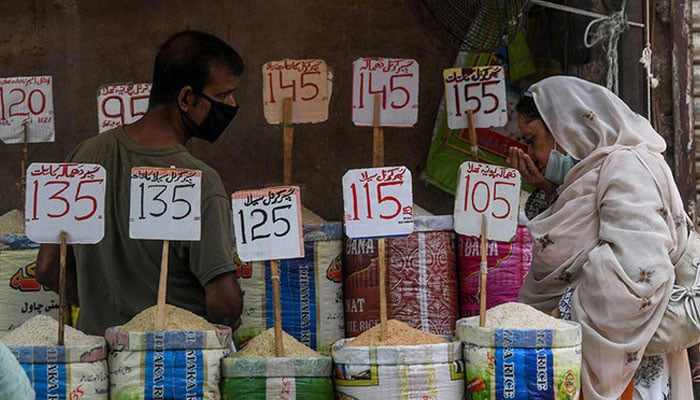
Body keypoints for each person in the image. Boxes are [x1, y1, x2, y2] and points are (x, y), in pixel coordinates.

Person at [35, 30, 244, 336]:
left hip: (98, 364)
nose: (232, 103)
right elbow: (224, 305)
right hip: (173, 366)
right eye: (224, 95)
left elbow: (46, 269)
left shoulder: (83, 156)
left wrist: (105, 307)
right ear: (186, 98)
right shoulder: (200, 181)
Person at [507, 75, 693, 399]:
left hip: (629, 365)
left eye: (532, 139)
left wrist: (564, 313)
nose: (529, 154)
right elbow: (584, 237)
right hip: (598, 353)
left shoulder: (627, 167)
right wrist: (550, 190)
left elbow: (635, 271)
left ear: (564, 129)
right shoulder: (588, 177)